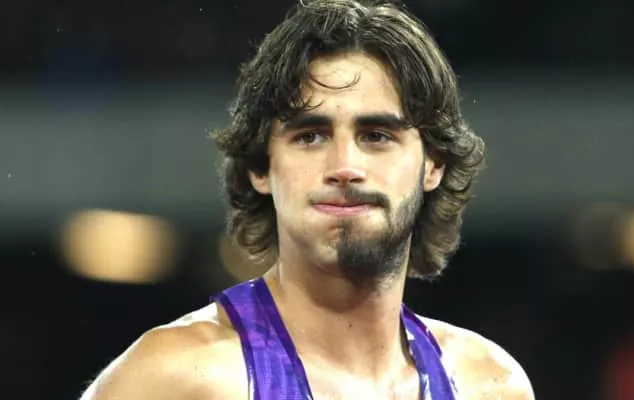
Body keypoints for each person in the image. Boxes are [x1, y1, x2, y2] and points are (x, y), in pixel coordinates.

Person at [80, 0, 535, 398]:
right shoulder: (175, 378)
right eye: (311, 136)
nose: (345, 166)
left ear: (433, 164)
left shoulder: (490, 386)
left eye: (376, 135)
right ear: (260, 167)